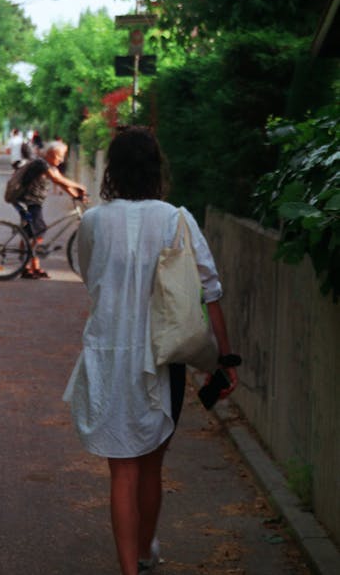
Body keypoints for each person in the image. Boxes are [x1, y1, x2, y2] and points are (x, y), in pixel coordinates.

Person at [63, 126, 238, 575]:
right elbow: (209, 290)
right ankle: (144, 554)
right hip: (164, 360)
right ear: (156, 169)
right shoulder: (176, 218)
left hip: (108, 353)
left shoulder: (95, 222)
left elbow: (89, 275)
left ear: (113, 171)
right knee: (151, 464)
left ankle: (129, 569)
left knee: (121, 471)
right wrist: (225, 358)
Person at [16, 142, 87, 279]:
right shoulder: (40, 164)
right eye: (59, 156)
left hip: (34, 202)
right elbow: (56, 179)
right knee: (35, 232)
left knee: (35, 232)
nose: (61, 160)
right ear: (50, 154)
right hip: (28, 201)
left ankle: (33, 267)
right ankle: (26, 267)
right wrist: (78, 186)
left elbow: (61, 181)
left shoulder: (49, 165)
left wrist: (76, 195)